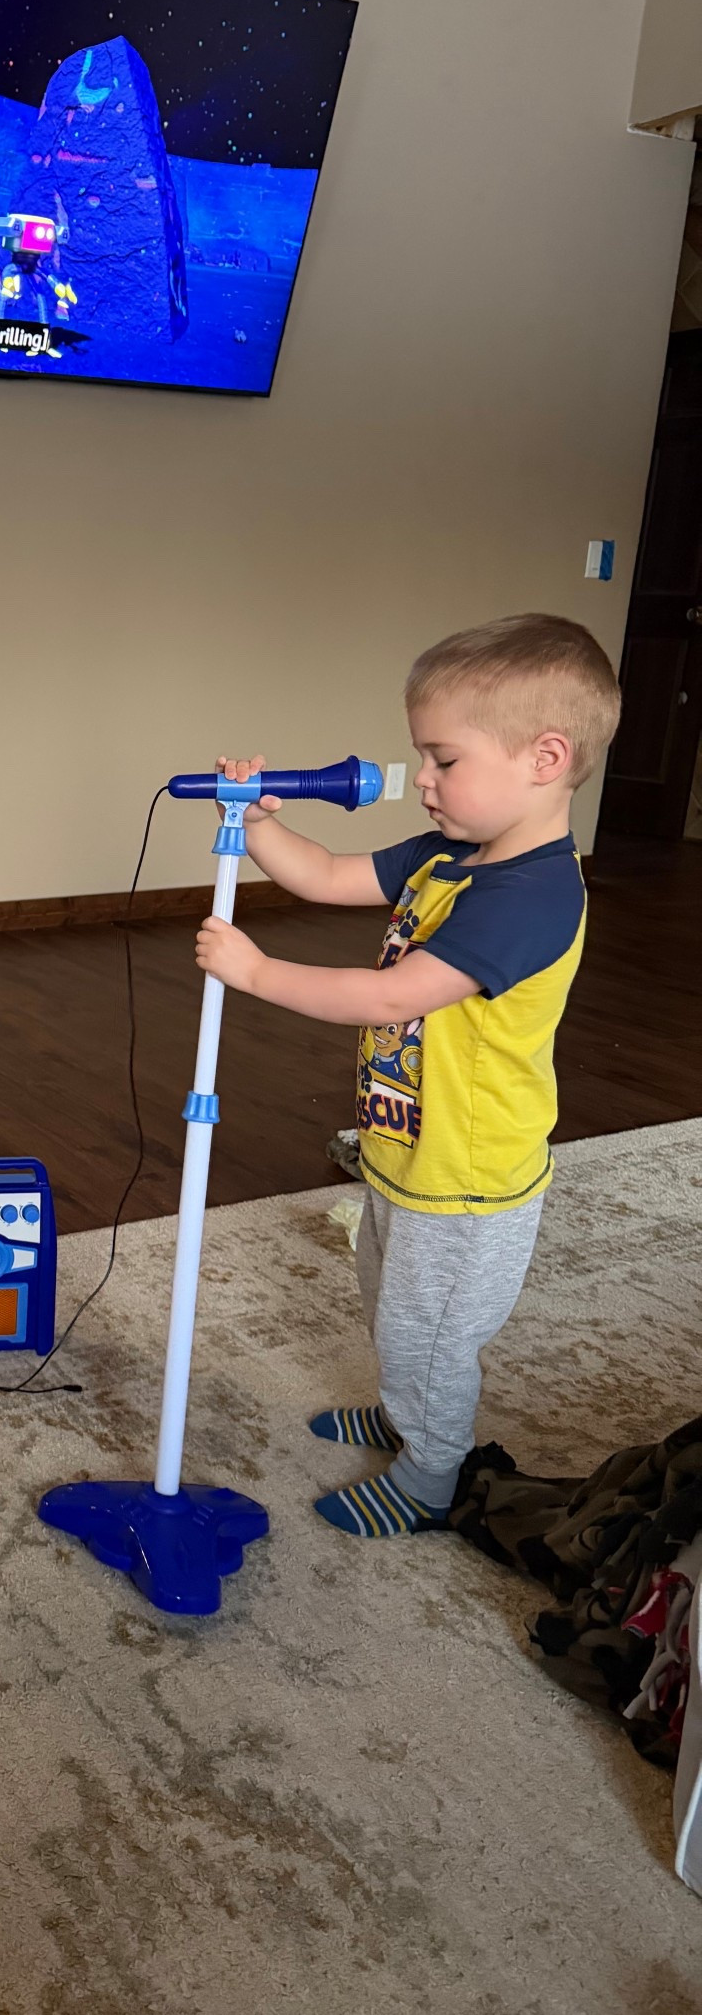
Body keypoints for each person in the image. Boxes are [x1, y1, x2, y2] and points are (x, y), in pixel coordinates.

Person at [195, 615, 622, 1536]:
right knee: (392, 1304)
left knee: (430, 1334)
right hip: (404, 1147)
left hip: (467, 1178)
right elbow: (325, 873)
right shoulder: (448, 858)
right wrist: (263, 823)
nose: (422, 779)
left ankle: (431, 1475)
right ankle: (402, 1410)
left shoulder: (532, 896)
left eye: (444, 760)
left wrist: (258, 973)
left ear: (545, 757)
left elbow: (394, 998)